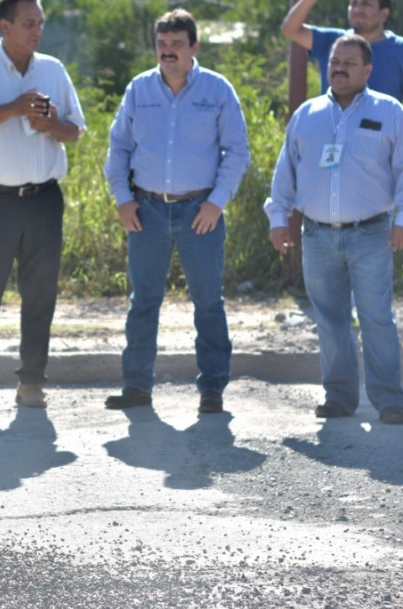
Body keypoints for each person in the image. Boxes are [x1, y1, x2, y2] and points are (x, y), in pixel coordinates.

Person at [265, 34, 403, 425]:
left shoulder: (391, 113)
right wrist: (278, 218)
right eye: (334, 61)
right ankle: (338, 395)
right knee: (330, 319)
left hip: (371, 234)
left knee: (376, 318)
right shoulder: (307, 114)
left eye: (349, 63)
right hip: (316, 236)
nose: (338, 68)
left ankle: (389, 399)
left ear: (368, 71)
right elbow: (285, 171)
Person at [102, 8, 250, 414]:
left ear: (194, 47)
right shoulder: (139, 90)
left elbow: (237, 151)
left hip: (200, 213)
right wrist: (123, 198)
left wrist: (216, 202)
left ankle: (212, 389)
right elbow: (119, 149)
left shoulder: (217, 90)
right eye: (162, 44)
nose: (167, 52)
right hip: (145, 210)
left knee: (208, 302)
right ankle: (136, 387)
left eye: (176, 45)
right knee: (143, 301)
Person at [0, 0, 85, 409]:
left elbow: (74, 131)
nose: (37, 31)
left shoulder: (53, 69)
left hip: (43, 200)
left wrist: (48, 124)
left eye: (40, 23)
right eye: (28, 23)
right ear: (4, 26)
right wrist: (13, 109)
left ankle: (32, 382)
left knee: (40, 293)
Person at [281, 0, 403, 126]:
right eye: (353, 3)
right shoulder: (334, 41)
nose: (357, 9)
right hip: (332, 140)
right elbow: (290, 29)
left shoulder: (402, 50)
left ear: (384, 14)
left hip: (379, 144)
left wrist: (399, 136)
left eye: (366, 4)